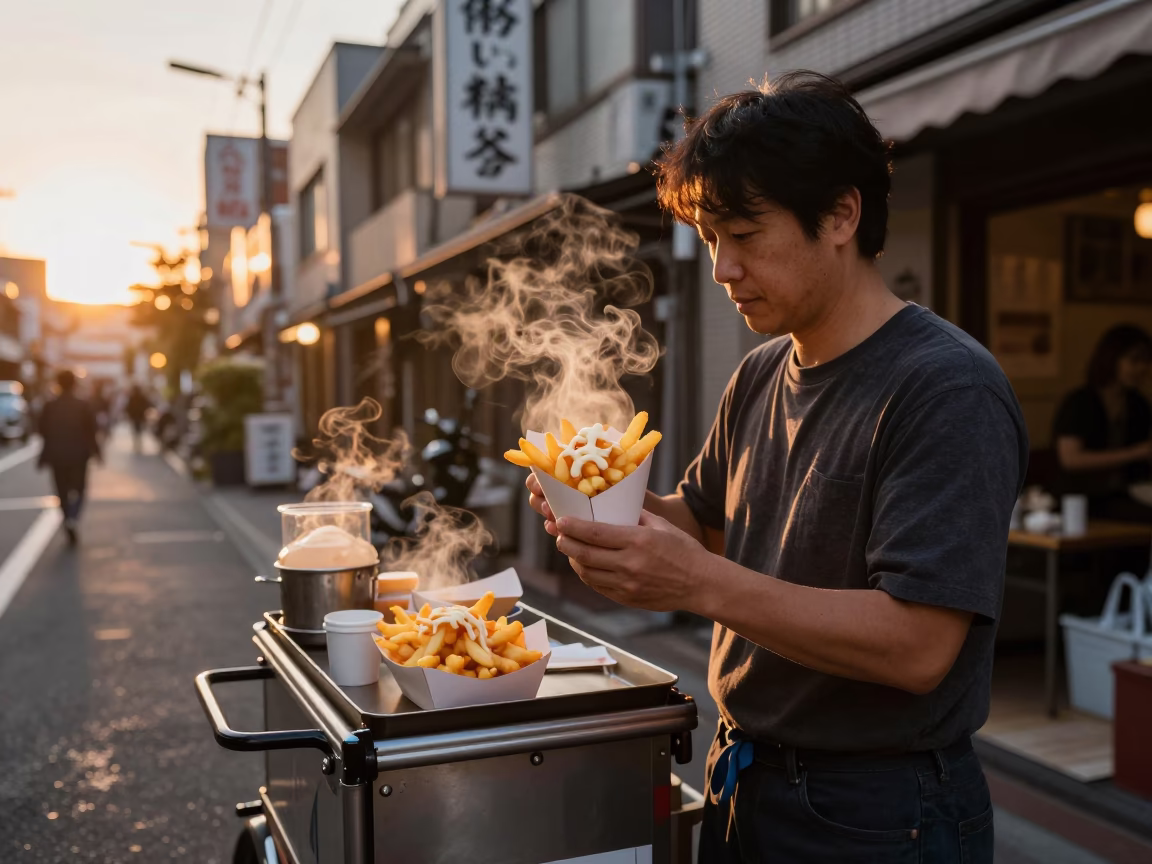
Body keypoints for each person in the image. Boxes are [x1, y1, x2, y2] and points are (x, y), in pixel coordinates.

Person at [525, 72, 1028, 863]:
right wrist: (601, 503)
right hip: (745, 771)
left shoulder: (945, 387)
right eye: (709, 238)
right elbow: (705, 524)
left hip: (881, 809)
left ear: (840, 214)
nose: (723, 268)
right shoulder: (760, 372)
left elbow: (918, 645)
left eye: (746, 236)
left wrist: (693, 582)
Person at [1052, 324, 1152, 520]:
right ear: (1112, 359)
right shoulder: (1080, 401)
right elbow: (1071, 459)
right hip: (1082, 498)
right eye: (1134, 360)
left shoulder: (1138, 404)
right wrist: (1137, 453)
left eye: (1146, 361)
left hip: (1127, 491)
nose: (1142, 368)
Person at [37, 370, 102, 545]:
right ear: (74, 384)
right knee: (79, 489)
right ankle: (73, 516)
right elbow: (92, 431)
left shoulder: (50, 406)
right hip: (79, 455)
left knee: (62, 490)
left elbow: (42, 430)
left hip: (57, 455)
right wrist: (98, 452)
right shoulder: (83, 405)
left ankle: (68, 517)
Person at [125, 384, 151, 453]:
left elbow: (128, 407)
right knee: (139, 431)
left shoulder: (133, 397)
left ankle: (137, 445)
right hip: (139, 416)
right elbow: (146, 405)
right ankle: (138, 445)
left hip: (136, 416)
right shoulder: (140, 397)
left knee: (136, 430)